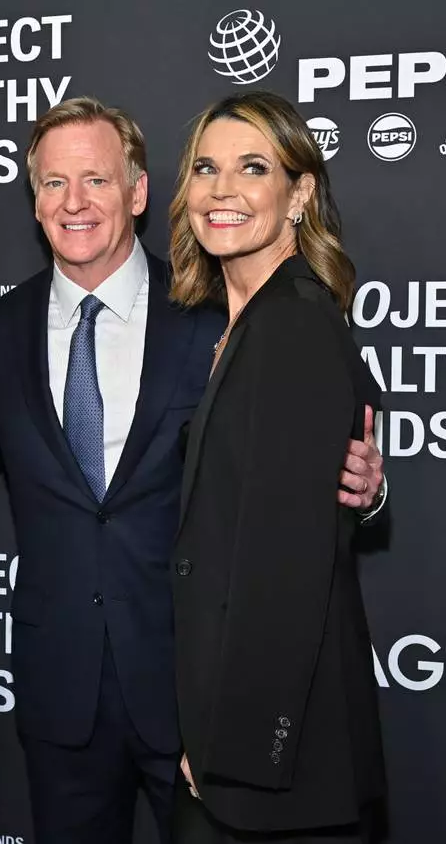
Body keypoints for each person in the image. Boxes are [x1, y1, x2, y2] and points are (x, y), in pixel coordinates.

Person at [0, 97, 386, 844]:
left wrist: (366, 489)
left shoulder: (220, 312)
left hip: (196, 690)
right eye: (54, 182)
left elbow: (290, 475)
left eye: (96, 180)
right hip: (59, 688)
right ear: (34, 200)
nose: (74, 202)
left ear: (137, 192)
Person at [169, 91, 387, 844]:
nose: (221, 189)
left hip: (273, 764)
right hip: (245, 739)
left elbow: (286, 564)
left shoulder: (290, 323)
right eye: (206, 168)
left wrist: (231, 746)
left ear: (299, 194)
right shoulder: (244, 321)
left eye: (253, 168)